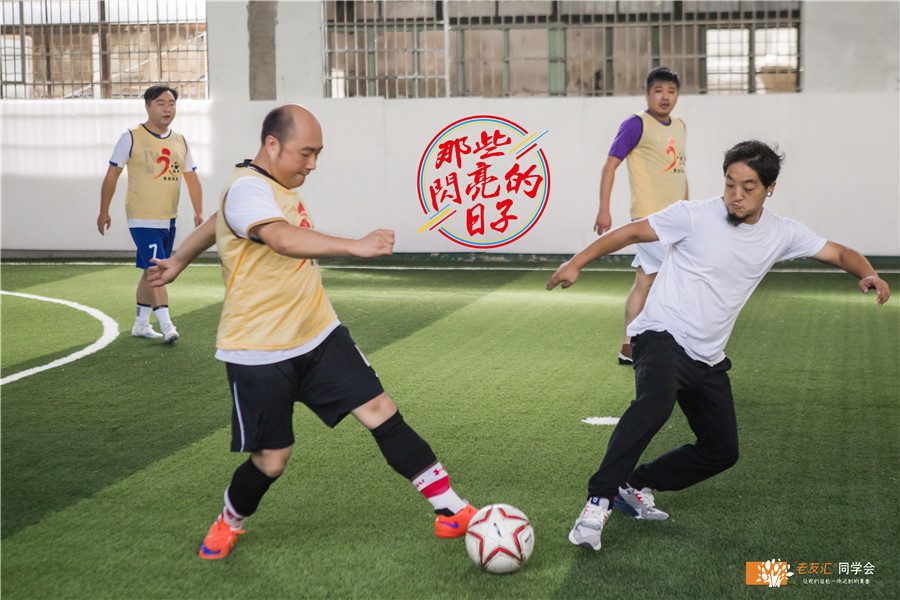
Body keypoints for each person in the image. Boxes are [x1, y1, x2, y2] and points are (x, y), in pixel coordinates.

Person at [147, 104, 477, 560]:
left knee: (380, 410)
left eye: (318, 153)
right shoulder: (248, 189)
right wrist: (356, 246)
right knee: (272, 459)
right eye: (306, 153)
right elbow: (281, 239)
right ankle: (230, 520)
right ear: (272, 144)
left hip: (319, 333)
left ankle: (451, 509)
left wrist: (180, 258)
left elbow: (215, 222)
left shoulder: (267, 188)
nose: (313, 164)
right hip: (259, 351)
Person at [548, 140, 890, 551]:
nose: (735, 195)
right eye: (729, 184)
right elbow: (631, 232)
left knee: (721, 451)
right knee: (655, 404)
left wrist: (868, 272)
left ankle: (635, 484)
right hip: (661, 333)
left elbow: (839, 252)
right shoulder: (693, 216)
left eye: (748, 187)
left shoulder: (782, 233)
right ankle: (598, 501)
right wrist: (576, 262)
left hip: (707, 356)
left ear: (770, 188)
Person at [594, 67, 688, 365]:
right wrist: (604, 209)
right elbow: (610, 166)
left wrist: (688, 210)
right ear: (647, 94)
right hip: (649, 217)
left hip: (676, 219)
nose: (665, 96)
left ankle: (628, 347)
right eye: (658, 90)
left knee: (645, 281)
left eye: (671, 91)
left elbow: (680, 173)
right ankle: (673, 344)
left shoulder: (680, 126)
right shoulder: (636, 124)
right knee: (678, 278)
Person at [98, 85, 204, 343]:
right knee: (157, 270)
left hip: (168, 219)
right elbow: (112, 175)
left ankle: (141, 323)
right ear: (147, 106)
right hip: (141, 218)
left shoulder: (180, 140)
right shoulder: (130, 137)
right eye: (160, 103)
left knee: (149, 269)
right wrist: (104, 211)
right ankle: (167, 326)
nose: (167, 109)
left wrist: (199, 212)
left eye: (171, 103)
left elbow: (192, 178)